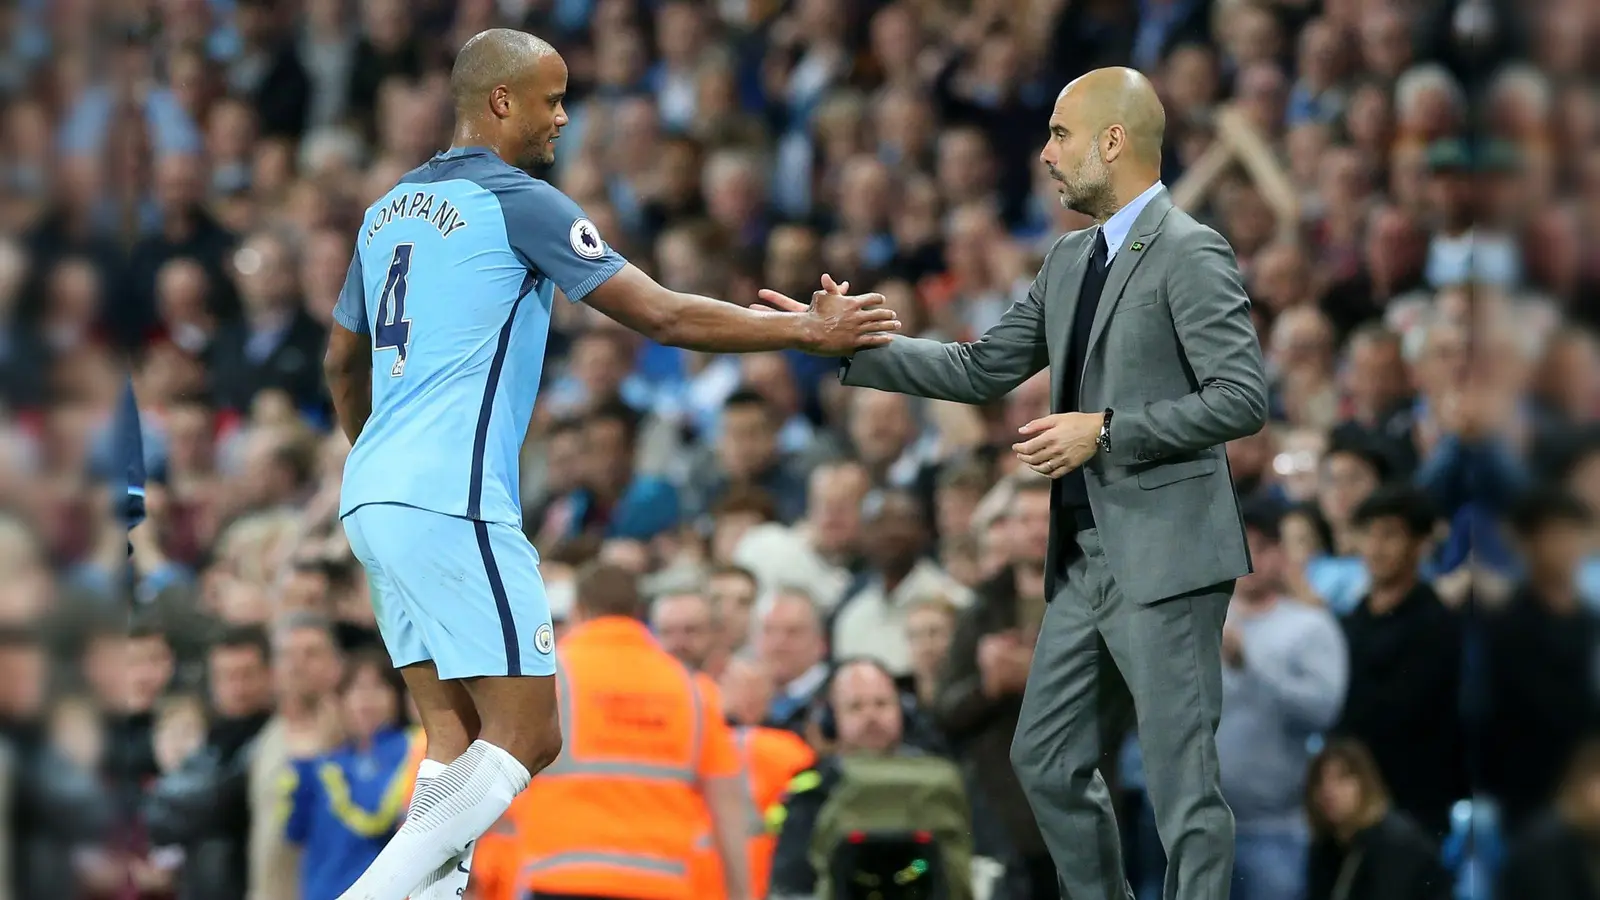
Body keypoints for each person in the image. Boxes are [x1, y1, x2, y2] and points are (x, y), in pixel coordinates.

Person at [321, 28, 898, 900]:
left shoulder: (385, 211)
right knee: (527, 737)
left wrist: (375, 460)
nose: (563, 115)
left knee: (452, 736)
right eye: (550, 98)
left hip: (372, 493)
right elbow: (661, 316)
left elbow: (338, 362)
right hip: (452, 496)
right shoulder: (522, 202)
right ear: (500, 100)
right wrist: (805, 330)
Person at [761, 67, 1268, 898]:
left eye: (1062, 134)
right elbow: (982, 367)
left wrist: (1104, 430)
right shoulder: (1070, 258)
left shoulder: (1191, 250)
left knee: (1184, 788)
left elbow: (1241, 398)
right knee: (1044, 759)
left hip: (1168, 557)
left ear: (1114, 140)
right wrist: (844, 345)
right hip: (1082, 561)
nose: (1045, 154)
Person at [467, 563, 753, 900]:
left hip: (560, 876)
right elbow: (728, 808)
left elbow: (488, 772)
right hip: (659, 884)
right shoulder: (691, 690)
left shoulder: (549, 678)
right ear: (639, 612)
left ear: (578, 610)